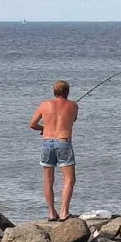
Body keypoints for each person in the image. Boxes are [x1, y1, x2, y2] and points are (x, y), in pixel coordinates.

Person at [30, 80, 79, 221]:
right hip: (63, 142)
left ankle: (52, 213)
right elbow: (73, 120)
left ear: (54, 91)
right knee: (69, 179)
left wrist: (44, 128)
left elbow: (32, 124)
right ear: (67, 92)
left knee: (48, 180)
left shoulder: (44, 105)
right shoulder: (73, 105)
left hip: (47, 143)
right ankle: (64, 212)